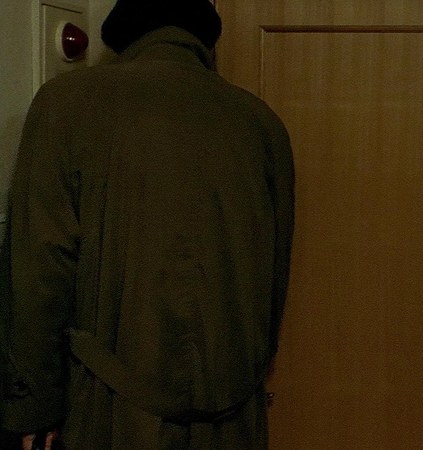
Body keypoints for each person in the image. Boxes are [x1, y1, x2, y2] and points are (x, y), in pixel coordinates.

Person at [0, 0, 295, 448]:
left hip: (111, 411)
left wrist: (33, 409)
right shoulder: (262, 122)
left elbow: (39, 271)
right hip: (233, 412)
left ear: (122, 36)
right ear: (205, 40)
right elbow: (272, 278)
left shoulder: (67, 104)